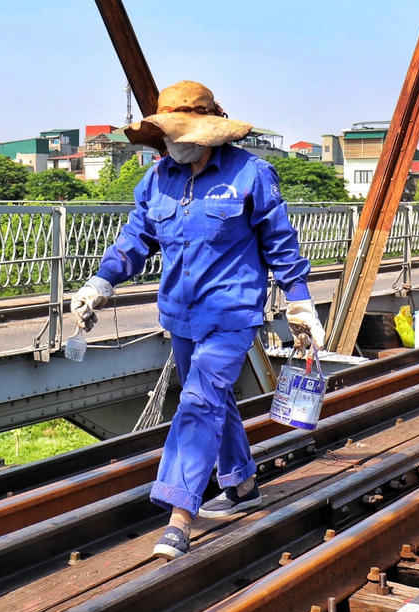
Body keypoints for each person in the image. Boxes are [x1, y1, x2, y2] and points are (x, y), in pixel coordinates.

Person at [69, 80, 325, 560]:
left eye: (179, 133)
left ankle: (180, 514)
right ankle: (243, 484)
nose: (170, 143)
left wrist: (299, 301)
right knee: (213, 399)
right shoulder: (155, 180)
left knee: (197, 402)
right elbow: (135, 240)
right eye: (165, 135)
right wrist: (100, 284)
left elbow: (280, 241)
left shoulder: (251, 174)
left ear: (208, 132)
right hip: (181, 317)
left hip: (232, 313)